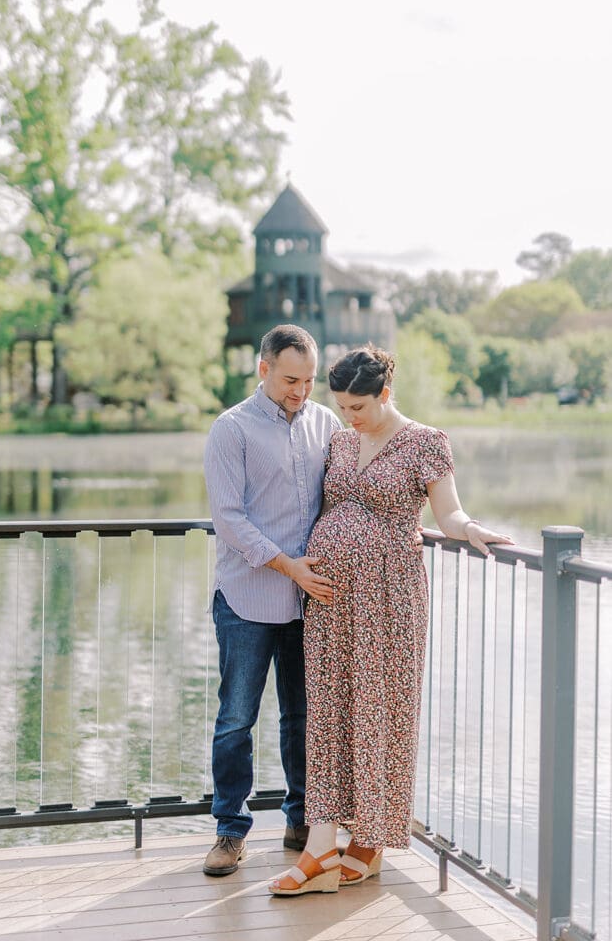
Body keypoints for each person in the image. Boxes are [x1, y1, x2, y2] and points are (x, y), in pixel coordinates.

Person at [269, 344, 513, 896]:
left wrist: (468, 527)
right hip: (331, 603)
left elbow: (447, 511)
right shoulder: (339, 440)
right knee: (330, 718)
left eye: (358, 407)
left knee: (379, 714)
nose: (348, 418)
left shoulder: (427, 441)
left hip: (389, 602)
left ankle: (365, 843)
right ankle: (325, 846)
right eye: (341, 407)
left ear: (384, 393)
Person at [202, 324, 342, 876]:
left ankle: (301, 821)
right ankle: (229, 832)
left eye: (309, 381)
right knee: (237, 719)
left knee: (302, 717)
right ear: (263, 370)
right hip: (247, 596)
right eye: (290, 379)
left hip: (309, 603)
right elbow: (229, 519)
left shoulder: (327, 424)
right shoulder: (230, 429)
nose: (300, 391)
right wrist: (288, 566)